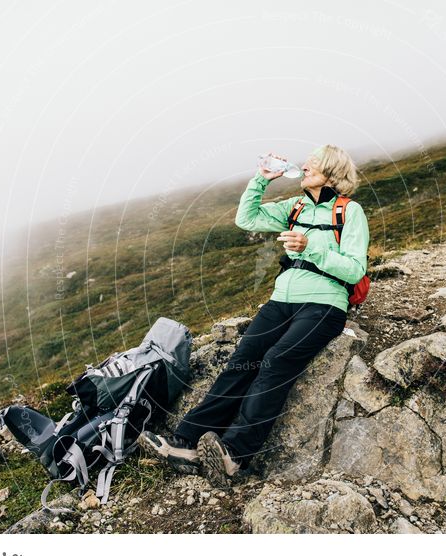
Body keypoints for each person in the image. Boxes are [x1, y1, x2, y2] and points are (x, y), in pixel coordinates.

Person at [138, 144, 370, 487]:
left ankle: (234, 455)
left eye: (314, 163)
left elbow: (354, 269)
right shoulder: (295, 206)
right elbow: (246, 218)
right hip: (281, 300)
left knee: (276, 360)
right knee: (243, 359)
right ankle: (185, 442)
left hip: (325, 304)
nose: (305, 165)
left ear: (333, 172)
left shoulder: (349, 213)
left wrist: (312, 248)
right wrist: (261, 181)